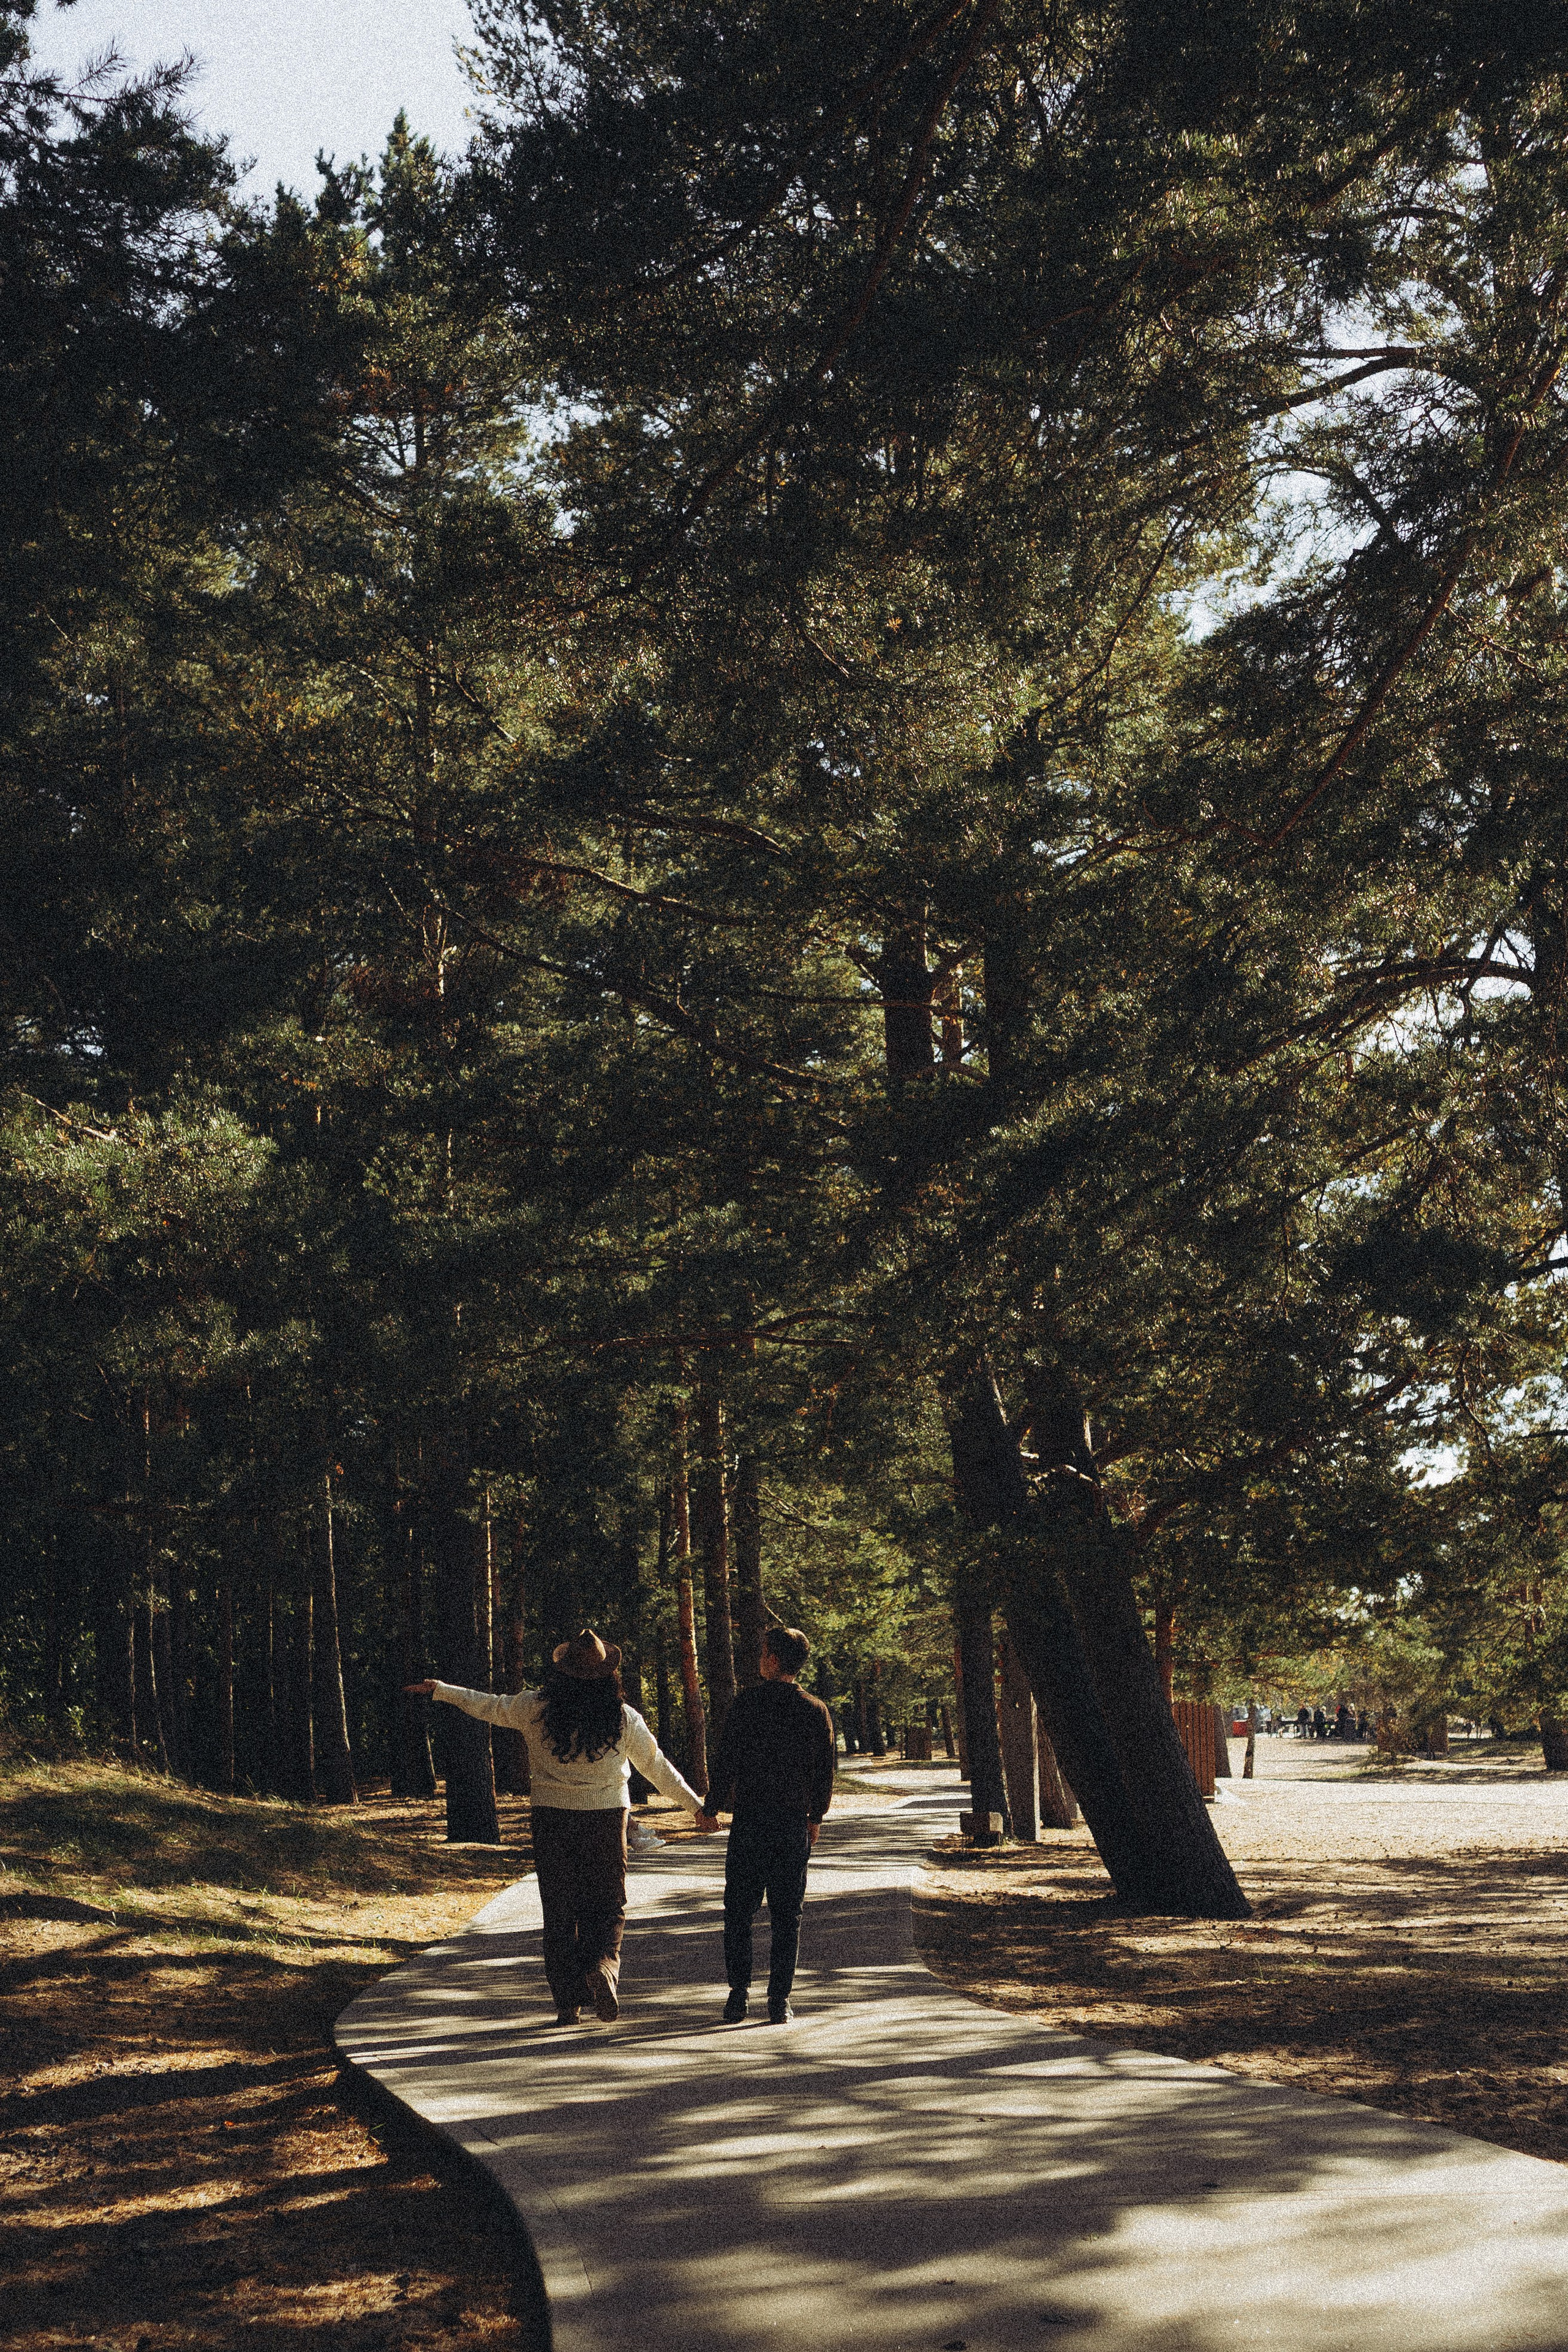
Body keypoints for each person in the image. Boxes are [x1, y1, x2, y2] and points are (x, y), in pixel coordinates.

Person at [407, 1629, 708, 2027]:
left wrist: (440, 1689)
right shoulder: (622, 1717)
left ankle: (568, 2004)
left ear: (561, 1672)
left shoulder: (535, 1708)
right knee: (608, 1905)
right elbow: (657, 1768)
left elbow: (487, 1706)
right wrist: (697, 1808)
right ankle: (602, 1966)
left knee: (560, 1911)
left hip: (552, 1819)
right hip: (605, 1819)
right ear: (608, 1674)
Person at [695, 1624, 836, 2025]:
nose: (759, 1658)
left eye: (762, 1653)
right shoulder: (816, 1711)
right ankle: (779, 2001)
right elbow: (824, 1772)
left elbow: (727, 1763)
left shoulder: (746, 1705)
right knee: (787, 1915)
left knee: (739, 1912)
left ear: (773, 1660)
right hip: (792, 1826)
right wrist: (816, 1817)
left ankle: (738, 1997)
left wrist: (712, 1808)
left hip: (751, 1826)